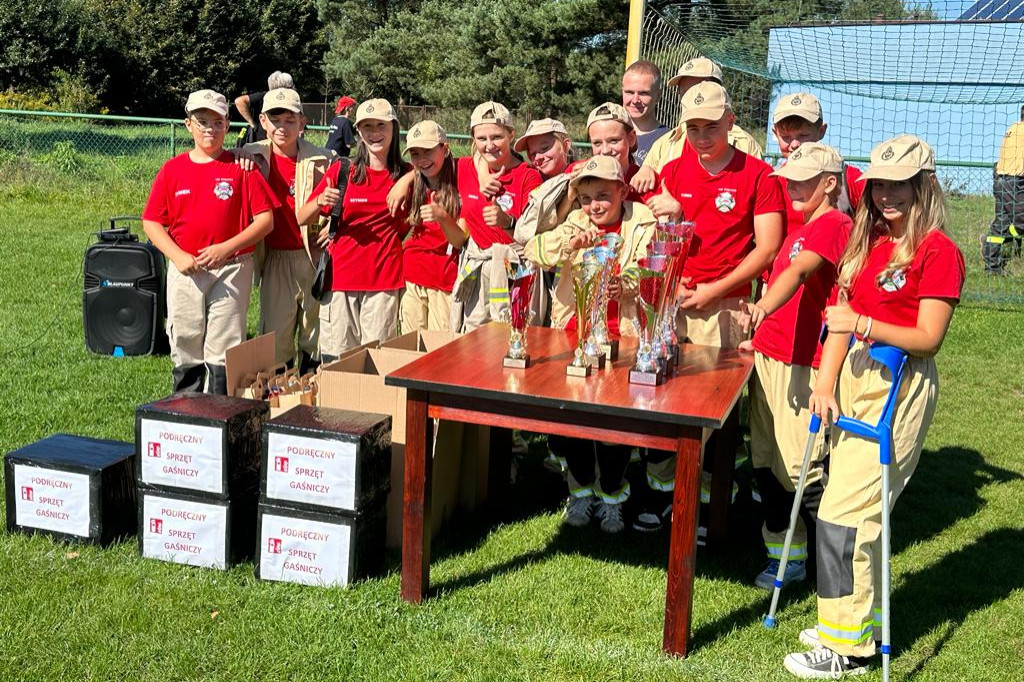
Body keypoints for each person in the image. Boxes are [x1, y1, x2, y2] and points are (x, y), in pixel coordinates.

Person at [784, 134, 964, 678]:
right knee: (857, 514)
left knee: (844, 517)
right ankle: (857, 622)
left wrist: (862, 325)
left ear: (923, 186)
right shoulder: (870, 243)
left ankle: (846, 648)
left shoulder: (939, 251)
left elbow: (929, 336)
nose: (887, 194)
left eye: (900, 184)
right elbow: (838, 320)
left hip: (898, 385)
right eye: (881, 183)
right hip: (855, 380)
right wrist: (824, 383)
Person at [634, 81, 785, 532]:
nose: (702, 136)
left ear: (731, 122)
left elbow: (768, 249)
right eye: (694, 127)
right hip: (677, 303)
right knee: (668, 403)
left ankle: (712, 505)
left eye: (711, 127)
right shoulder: (675, 169)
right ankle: (671, 498)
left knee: (717, 414)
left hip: (726, 307)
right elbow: (666, 236)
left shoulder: (758, 175)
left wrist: (716, 289)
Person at [524, 155, 658, 532]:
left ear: (622, 191)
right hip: (575, 335)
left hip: (624, 336)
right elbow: (536, 250)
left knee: (614, 427)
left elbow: (648, 263)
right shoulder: (577, 222)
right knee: (574, 422)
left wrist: (627, 283)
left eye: (603, 196)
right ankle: (580, 491)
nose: (594, 206)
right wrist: (570, 241)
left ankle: (612, 494)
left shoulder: (642, 220)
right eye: (585, 198)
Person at [743, 143, 853, 590]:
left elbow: (799, 273)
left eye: (804, 180)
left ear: (830, 183)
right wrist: (759, 331)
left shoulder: (835, 225)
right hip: (769, 354)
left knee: (803, 470)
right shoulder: (801, 224)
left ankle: (834, 569)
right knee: (766, 463)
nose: (793, 188)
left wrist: (761, 307)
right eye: (789, 179)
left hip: (802, 362)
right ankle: (783, 555)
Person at [142, 89, 276, 394]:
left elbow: (265, 221)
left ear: (227, 126)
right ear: (188, 124)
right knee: (186, 339)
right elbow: (152, 222)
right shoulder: (172, 170)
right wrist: (177, 256)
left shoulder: (242, 168)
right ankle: (185, 412)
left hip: (231, 268)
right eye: (202, 122)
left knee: (224, 348)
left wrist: (226, 248)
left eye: (217, 123)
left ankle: (218, 419)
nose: (209, 130)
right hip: (186, 269)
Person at [298, 98, 410, 361]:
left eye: (381, 125)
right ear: (358, 132)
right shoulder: (343, 170)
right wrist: (319, 201)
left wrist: (409, 178)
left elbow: (441, 168)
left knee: (377, 362)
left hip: (383, 283)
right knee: (337, 361)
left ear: (394, 128)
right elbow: (302, 217)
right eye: (367, 126)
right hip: (340, 282)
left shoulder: (406, 174)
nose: (374, 133)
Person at [241, 87, 333, 374]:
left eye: (290, 120)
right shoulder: (249, 157)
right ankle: (277, 401)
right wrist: (239, 155)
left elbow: (335, 202)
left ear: (303, 123)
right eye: (275, 119)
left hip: (312, 254)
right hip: (276, 256)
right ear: (262, 122)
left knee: (315, 332)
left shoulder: (321, 159)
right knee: (276, 338)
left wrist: (328, 228)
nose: (282, 127)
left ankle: (312, 396)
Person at [451, 101, 543, 332]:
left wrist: (507, 222)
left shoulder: (528, 176)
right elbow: (424, 166)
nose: (489, 145)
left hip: (513, 265)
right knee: (473, 336)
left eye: (497, 137)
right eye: (482, 139)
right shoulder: (464, 168)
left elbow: (532, 235)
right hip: (478, 265)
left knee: (511, 331)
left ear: (511, 135)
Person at [630, 57, 764, 194]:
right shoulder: (666, 143)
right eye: (685, 92)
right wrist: (645, 170)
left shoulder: (744, 144)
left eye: (700, 91)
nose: (694, 98)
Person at [400, 120, 464, 332]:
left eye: (428, 151)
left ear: (445, 149)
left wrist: (443, 217)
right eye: (415, 154)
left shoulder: (462, 175)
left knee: (440, 352)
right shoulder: (416, 182)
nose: (422, 159)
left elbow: (460, 240)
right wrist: (407, 179)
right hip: (413, 276)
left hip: (444, 282)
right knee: (411, 347)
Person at [770, 92, 863, 228]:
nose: (795, 144)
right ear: (775, 134)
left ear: (821, 131)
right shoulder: (772, 180)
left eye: (803, 135)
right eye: (785, 137)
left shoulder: (846, 177)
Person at [982, 104, 1024, 273]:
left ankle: (992, 266)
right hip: (1013, 181)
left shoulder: (1013, 128)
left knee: (1002, 223)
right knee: (1021, 221)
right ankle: (1000, 243)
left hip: (1000, 178)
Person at [622, 60, 669, 164]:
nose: (635, 100)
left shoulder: (669, 140)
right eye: (629, 92)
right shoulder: (612, 133)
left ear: (658, 95)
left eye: (643, 93)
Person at [234, 71, 294, 146]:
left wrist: (252, 123)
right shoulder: (265, 96)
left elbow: (239, 101)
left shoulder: (264, 96)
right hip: (264, 141)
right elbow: (240, 101)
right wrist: (252, 122)